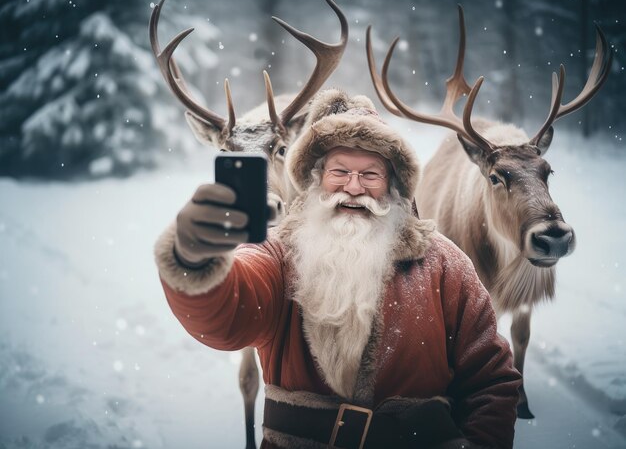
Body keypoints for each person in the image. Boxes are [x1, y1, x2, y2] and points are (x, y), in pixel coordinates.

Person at [154, 89, 521, 449]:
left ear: (394, 184)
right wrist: (194, 258)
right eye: (340, 171)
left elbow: (491, 380)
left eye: (371, 175)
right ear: (316, 179)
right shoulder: (280, 255)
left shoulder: (445, 264)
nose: (354, 187)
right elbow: (230, 314)